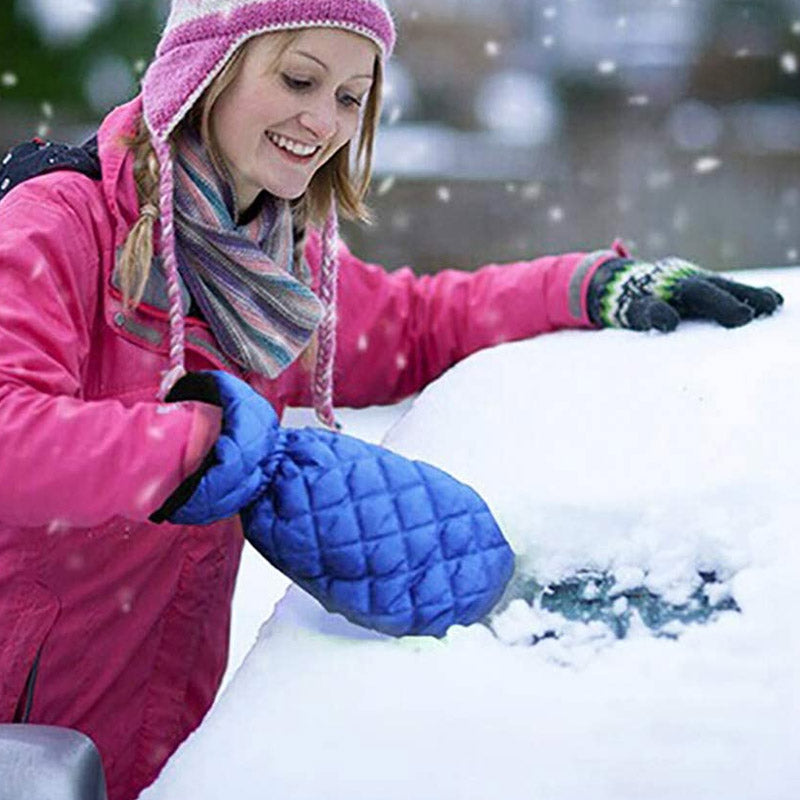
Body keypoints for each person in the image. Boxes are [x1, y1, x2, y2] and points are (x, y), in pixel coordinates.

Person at [0, 1, 783, 799]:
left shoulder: (273, 274)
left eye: (350, 97)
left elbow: (416, 324)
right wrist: (198, 446)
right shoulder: (62, 222)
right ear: (205, 70)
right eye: (299, 80)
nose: (324, 121)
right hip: (21, 740)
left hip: (151, 745)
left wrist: (585, 285)